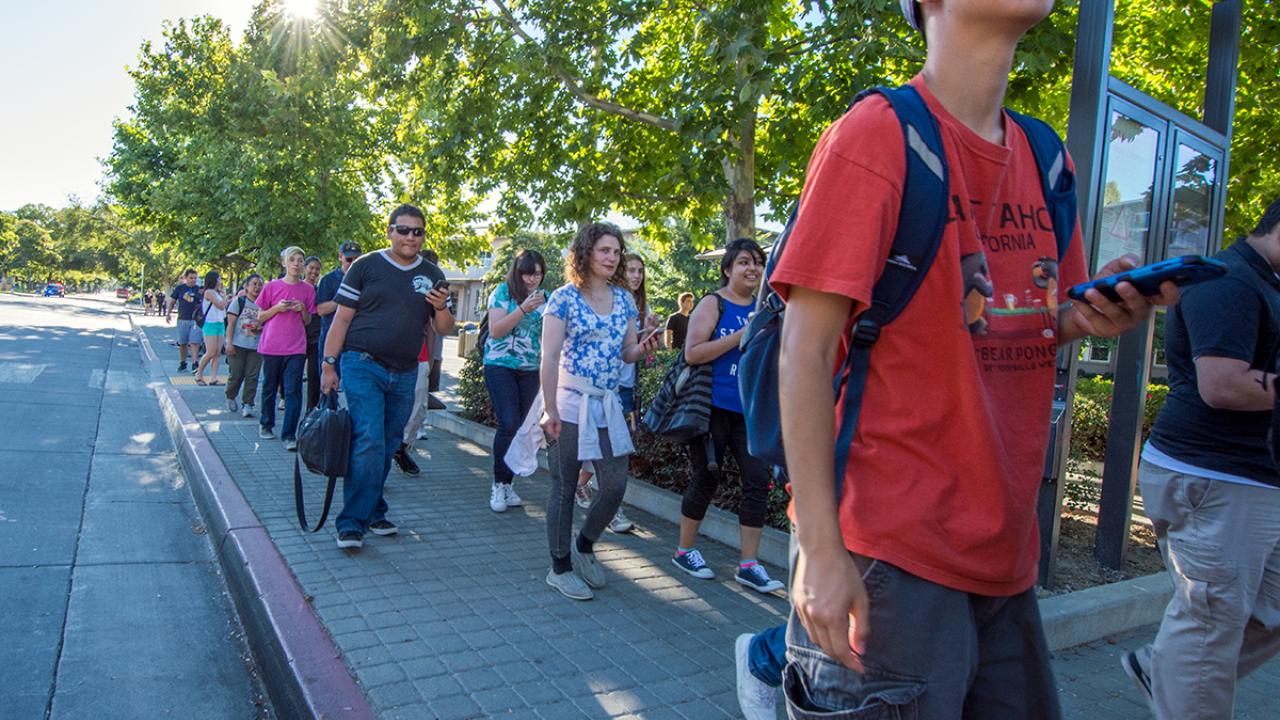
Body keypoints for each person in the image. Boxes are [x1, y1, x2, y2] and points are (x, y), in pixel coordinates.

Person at [771, 1, 1178, 716]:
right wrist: (822, 554)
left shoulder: (1047, 157)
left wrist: (1090, 316)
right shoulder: (876, 135)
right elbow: (803, 352)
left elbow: (1032, 317)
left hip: (1007, 560)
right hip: (887, 555)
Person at [1121, 198, 1280, 718]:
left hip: (1253, 480)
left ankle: (1164, 668)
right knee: (1210, 630)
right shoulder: (1230, 282)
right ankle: (1180, 676)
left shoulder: (1265, 283)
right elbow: (1223, 385)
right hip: (1214, 476)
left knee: (1266, 614)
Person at [539, 222, 661, 600]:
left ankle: (585, 545)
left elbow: (627, 352)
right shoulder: (563, 298)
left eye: (616, 251)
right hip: (569, 402)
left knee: (614, 484)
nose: (612, 257)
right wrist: (549, 408)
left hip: (607, 404)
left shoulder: (624, 300)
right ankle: (559, 568)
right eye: (604, 250)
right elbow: (549, 356)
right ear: (586, 252)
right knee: (564, 487)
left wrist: (643, 347)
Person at [321, 204, 453, 550]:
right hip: (362, 363)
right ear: (389, 231)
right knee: (369, 439)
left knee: (389, 442)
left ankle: (374, 509)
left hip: (406, 371)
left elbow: (443, 328)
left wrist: (441, 306)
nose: (411, 237)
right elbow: (341, 320)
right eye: (403, 230)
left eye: (418, 231)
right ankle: (351, 523)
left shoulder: (432, 273)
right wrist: (328, 365)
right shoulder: (365, 266)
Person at [671, 239, 783, 594]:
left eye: (758, 262)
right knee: (707, 476)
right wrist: (741, 335)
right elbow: (692, 353)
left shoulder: (766, 307)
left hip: (748, 411)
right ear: (727, 269)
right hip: (711, 407)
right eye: (744, 262)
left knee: (757, 480)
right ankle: (684, 551)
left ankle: (749, 564)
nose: (753, 268)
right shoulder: (713, 303)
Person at [573, 253, 655, 533]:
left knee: (613, 449)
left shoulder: (637, 305)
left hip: (625, 387)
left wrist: (648, 335)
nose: (636, 276)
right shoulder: (603, 300)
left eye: (640, 271)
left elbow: (631, 350)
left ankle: (584, 489)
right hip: (600, 389)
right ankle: (610, 510)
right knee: (610, 450)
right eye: (631, 270)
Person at [482, 249, 547, 512]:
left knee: (521, 426)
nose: (533, 279)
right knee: (508, 422)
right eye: (528, 274)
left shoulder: (546, 298)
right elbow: (496, 330)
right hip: (500, 365)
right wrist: (522, 309)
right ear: (517, 273)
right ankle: (498, 483)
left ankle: (508, 483)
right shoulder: (502, 292)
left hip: (531, 369)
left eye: (538, 274)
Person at [395, 248, 452, 477]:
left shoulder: (431, 289)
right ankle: (380, 457)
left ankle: (400, 448)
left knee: (418, 407)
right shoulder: (396, 278)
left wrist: (428, 359)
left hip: (418, 358)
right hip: (388, 356)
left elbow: (433, 326)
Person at [256, 246, 316, 451]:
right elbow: (260, 316)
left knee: (293, 391)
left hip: (296, 348)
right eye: (292, 260)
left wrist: (302, 309)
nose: (296, 264)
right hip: (272, 346)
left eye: (300, 260)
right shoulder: (271, 287)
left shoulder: (308, 290)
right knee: (270, 388)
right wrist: (277, 308)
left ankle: (289, 434)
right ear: (284, 263)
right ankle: (266, 423)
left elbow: (308, 321)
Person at [225, 274, 265, 417]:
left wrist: (260, 328)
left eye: (260, 284)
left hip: (256, 346)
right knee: (236, 375)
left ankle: (248, 404)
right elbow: (231, 324)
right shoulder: (239, 302)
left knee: (252, 376)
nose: (257, 287)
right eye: (254, 284)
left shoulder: (265, 304)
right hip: (238, 344)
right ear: (246, 286)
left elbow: (268, 324)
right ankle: (230, 395)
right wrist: (229, 343)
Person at [195, 271, 231, 386]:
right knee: (211, 351)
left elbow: (224, 305)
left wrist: (223, 295)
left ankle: (214, 377)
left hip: (220, 323)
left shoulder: (218, 293)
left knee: (217, 352)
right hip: (210, 324)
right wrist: (225, 295)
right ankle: (198, 373)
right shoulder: (209, 292)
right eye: (219, 279)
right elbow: (221, 305)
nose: (220, 281)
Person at [165, 269, 202, 373]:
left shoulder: (199, 290)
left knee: (194, 342)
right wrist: (168, 314)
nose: (193, 280)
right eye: (191, 278)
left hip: (195, 320)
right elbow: (173, 301)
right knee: (183, 343)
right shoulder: (180, 288)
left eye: (195, 278)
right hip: (182, 318)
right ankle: (183, 363)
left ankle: (195, 363)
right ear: (186, 278)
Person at [302, 256, 324, 413]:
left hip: (316, 336)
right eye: (311, 268)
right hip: (297, 336)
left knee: (314, 375)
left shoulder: (320, 290)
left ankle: (312, 410)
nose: (314, 272)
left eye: (317, 269)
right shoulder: (297, 287)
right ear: (305, 268)